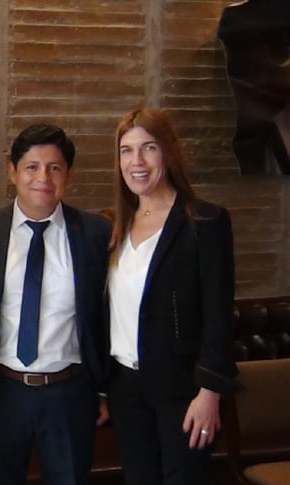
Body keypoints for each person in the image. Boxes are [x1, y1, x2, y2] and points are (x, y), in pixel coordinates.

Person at [0, 124, 111, 484]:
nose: (43, 178)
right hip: (2, 393)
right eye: (32, 167)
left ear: (68, 175)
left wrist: (104, 390)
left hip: (70, 393)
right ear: (13, 171)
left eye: (54, 168)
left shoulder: (95, 233)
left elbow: (106, 318)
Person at [106, 107, 240, 484]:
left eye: (148, 148)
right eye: (126, 150)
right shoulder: (113, 226)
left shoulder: (204, 221)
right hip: (125, 387)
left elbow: (218, 315)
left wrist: (210, 392)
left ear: (168, 151)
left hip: (183, 389)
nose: (137, 161)